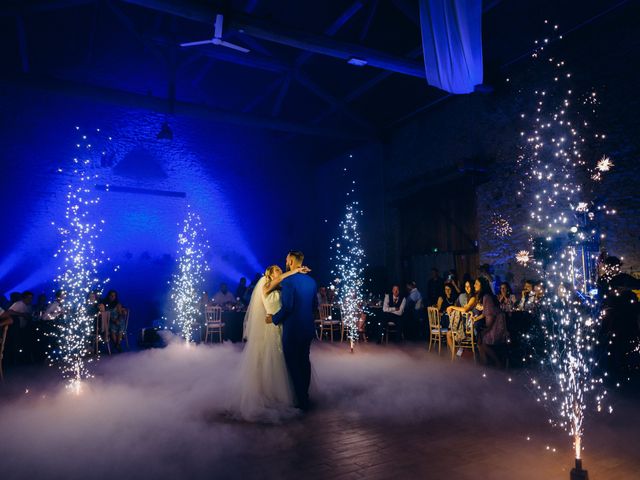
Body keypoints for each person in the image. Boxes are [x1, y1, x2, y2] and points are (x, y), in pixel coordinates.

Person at [233, 261, 309, 421]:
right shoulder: (265, 287)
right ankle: (270, 394)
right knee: (272, 358)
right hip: (270, 328)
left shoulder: (280, 288)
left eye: (280, 270)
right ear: (270, 274)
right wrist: (296, 270)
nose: (280, 272)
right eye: (277, 271)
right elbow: (280, 279)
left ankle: (291, 391)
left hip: (281, 325)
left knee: (285, 359)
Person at [267, 251, 317, 412]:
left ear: (290, 261)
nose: (285, 260)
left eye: (286, 258)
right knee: (304, 361)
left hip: (293, 329)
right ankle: (305, 396)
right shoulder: (312, 281)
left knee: (292, 362)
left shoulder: (288, 281)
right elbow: (314, 306)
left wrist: (274, 319)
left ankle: (301, 399)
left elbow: (287, 307)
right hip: (308, 327)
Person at [472, 277, 508, 367]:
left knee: (481, 341)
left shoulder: (487, 297)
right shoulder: (486, 296)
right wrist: (476, 318)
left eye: (476, 284)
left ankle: (496, 363)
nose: (474, 285)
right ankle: (486, 364)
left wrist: (484, 331)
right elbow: (485, 313)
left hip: (497, 325)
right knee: (479, 340)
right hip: (495, 322)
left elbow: (490, 318)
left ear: (482, 286)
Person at [445, 280, 478, 353]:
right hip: (464, 323)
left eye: (469, 286)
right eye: (466, 287)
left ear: (472, 287)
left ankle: (458, 355)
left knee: (450, 334)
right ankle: (456, 355)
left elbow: (465, 309)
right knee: (449, 334)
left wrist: (452, 307)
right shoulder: (465, 297)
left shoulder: (473, 298)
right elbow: (461, 308)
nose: (467, 288)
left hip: (470, 325)